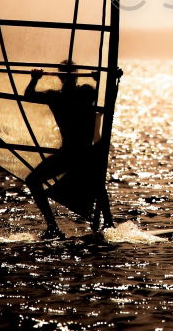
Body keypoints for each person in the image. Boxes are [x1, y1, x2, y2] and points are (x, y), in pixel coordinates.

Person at [23, 59, 113, 238]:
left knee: (97, 184)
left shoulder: (78, 94)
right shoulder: (60, 96)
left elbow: (29, 94)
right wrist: (99, 80)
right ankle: (53, 227)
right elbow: (28, 96)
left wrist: (35, 79)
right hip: (73, 152)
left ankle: (109, 224)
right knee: (33, 180)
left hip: (82, 153)